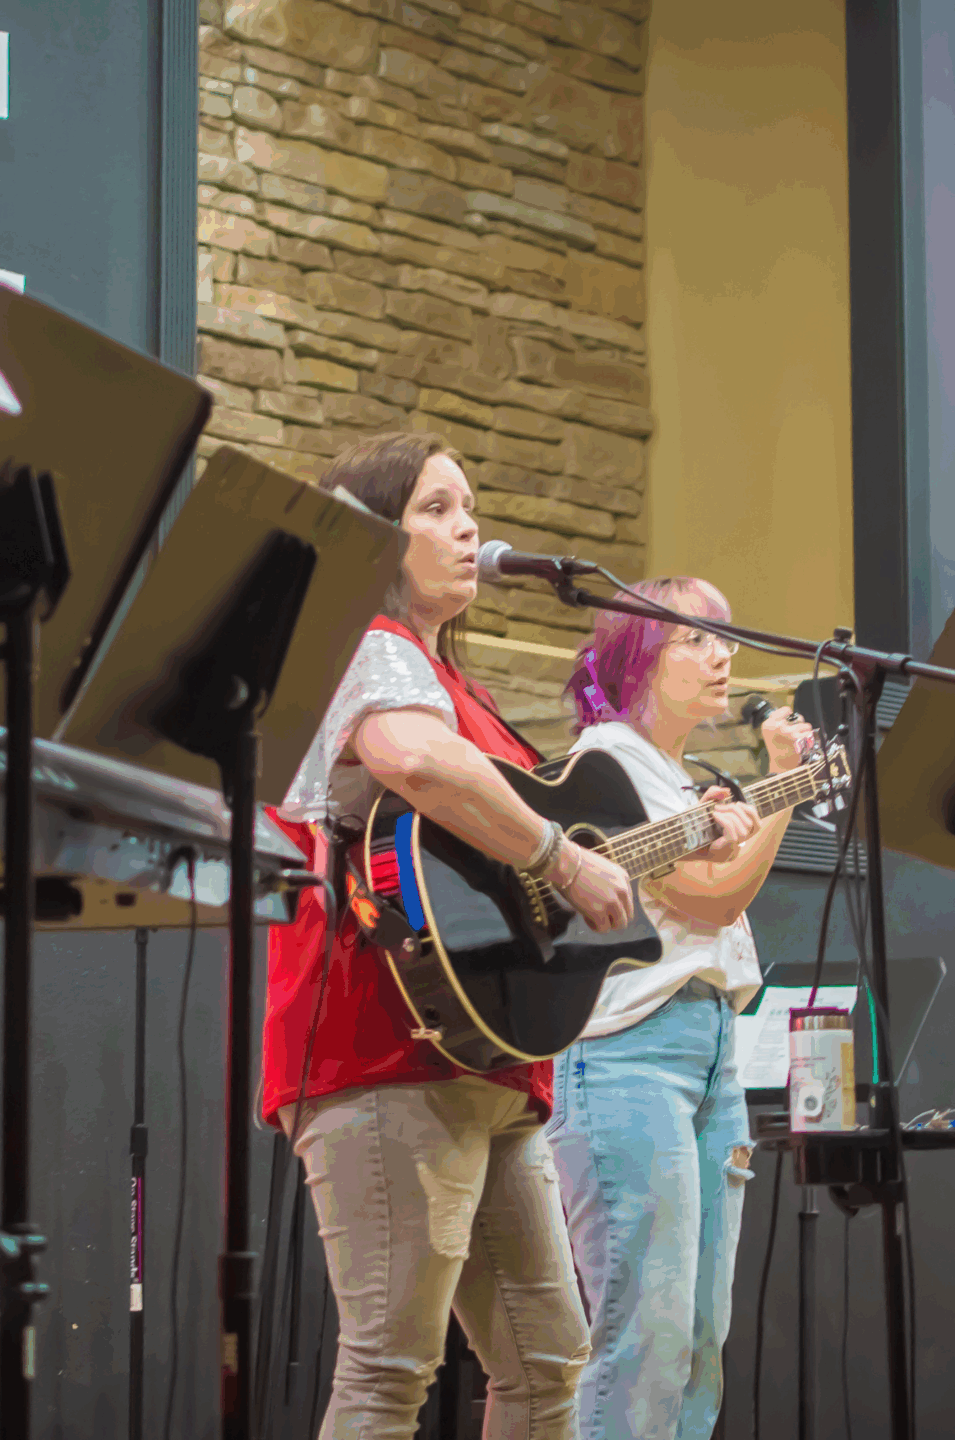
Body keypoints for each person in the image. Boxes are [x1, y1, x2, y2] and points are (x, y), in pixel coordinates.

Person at [266, 432, 701, 1439]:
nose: (468, 529)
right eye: (435, 508)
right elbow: (412, 762)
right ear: (373, 532)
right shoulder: (365, 646)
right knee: (390, 1368)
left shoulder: (456, 685)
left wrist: (605, 852)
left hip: (479, 1059)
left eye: (469, 506)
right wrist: (561, 858)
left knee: (548, 1364)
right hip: (384, 1045)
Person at [544, 578, 815, 1440]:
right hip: (629, 1053)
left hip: (708, 1048)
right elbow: (712, 897)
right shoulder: (610, 760)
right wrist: (785, 789)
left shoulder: (680, 775)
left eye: (724, 636)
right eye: (695, 638)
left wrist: (764, 796)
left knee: (701, 1335)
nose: (721, 654)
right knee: (646, 1331)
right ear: (638, 657)